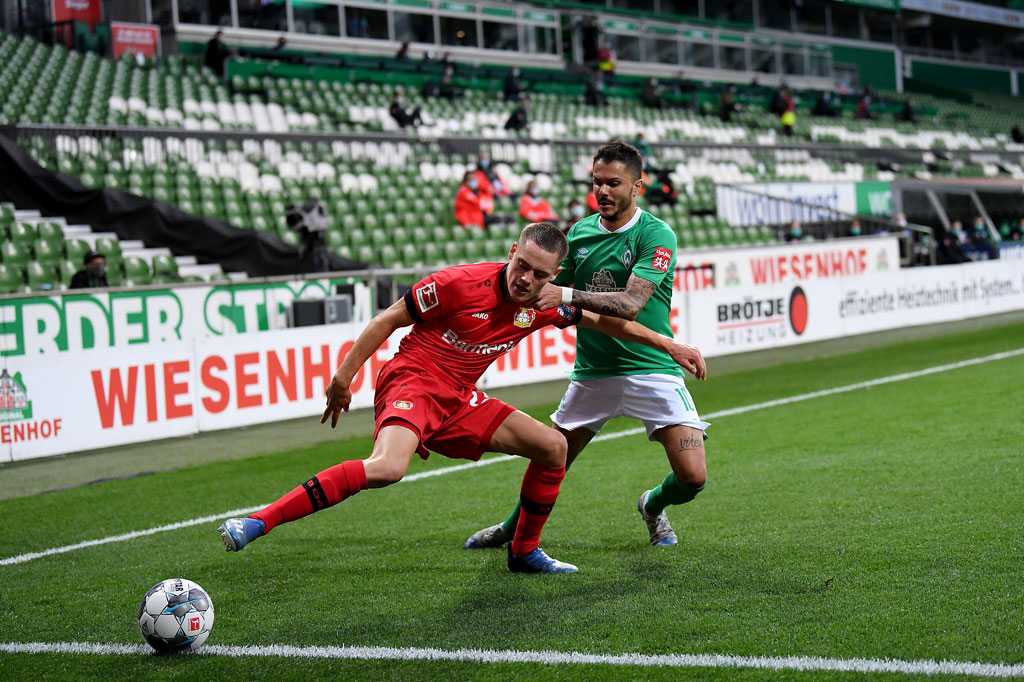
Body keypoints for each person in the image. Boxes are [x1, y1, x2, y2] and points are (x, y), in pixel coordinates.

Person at [219, 223, 704, 574]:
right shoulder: (457, 283)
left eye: (539, 274)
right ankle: (258, 522)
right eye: (521, 266)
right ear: (512, 252)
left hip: (460, 399)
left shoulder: (545, 303)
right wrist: (344, 377)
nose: (525, 280)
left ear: (554, 275)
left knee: (553, 447)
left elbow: (608, 321)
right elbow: (388, 319)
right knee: (388, 468)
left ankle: (523, 551)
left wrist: (671, 344)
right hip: (413, 381)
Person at [465, 141, 710, 551]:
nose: (602, 191)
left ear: (638, 187)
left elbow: (630, 305)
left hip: (652, 367)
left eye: (614, 183)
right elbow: (543, 291)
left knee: (693, 477)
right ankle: (510, 529)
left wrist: (567, 295)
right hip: (593, 373)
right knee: (551, 456)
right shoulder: (577, 236)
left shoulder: (657, 234)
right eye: (596, 182)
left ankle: (652, 504)